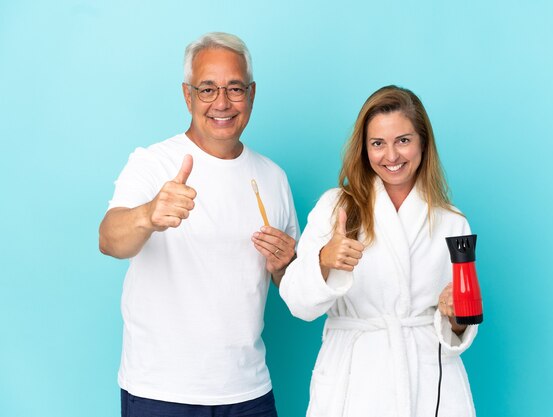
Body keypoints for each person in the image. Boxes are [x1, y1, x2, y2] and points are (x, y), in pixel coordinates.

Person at [99, 32, 299, 417]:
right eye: (207, 89)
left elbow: (290, 286)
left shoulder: (273, 178)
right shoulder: (153, 163)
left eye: (235, 88)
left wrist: (285, 265)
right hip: (160, 391)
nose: (222, 103)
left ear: (252, 94)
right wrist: (149, 214)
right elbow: (109, 240)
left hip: (248, 392)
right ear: (187, 96)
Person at [279, 85, 479, 417]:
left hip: (429, 380)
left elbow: (457, 322)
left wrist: (456, 317)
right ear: (364, 148)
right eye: (377, 144)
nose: (391, 156)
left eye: (403, 140)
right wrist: (324, 261)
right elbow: (298, 304)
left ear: (423, 142)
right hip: (354, 379)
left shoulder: (452, 222)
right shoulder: (335, 207)